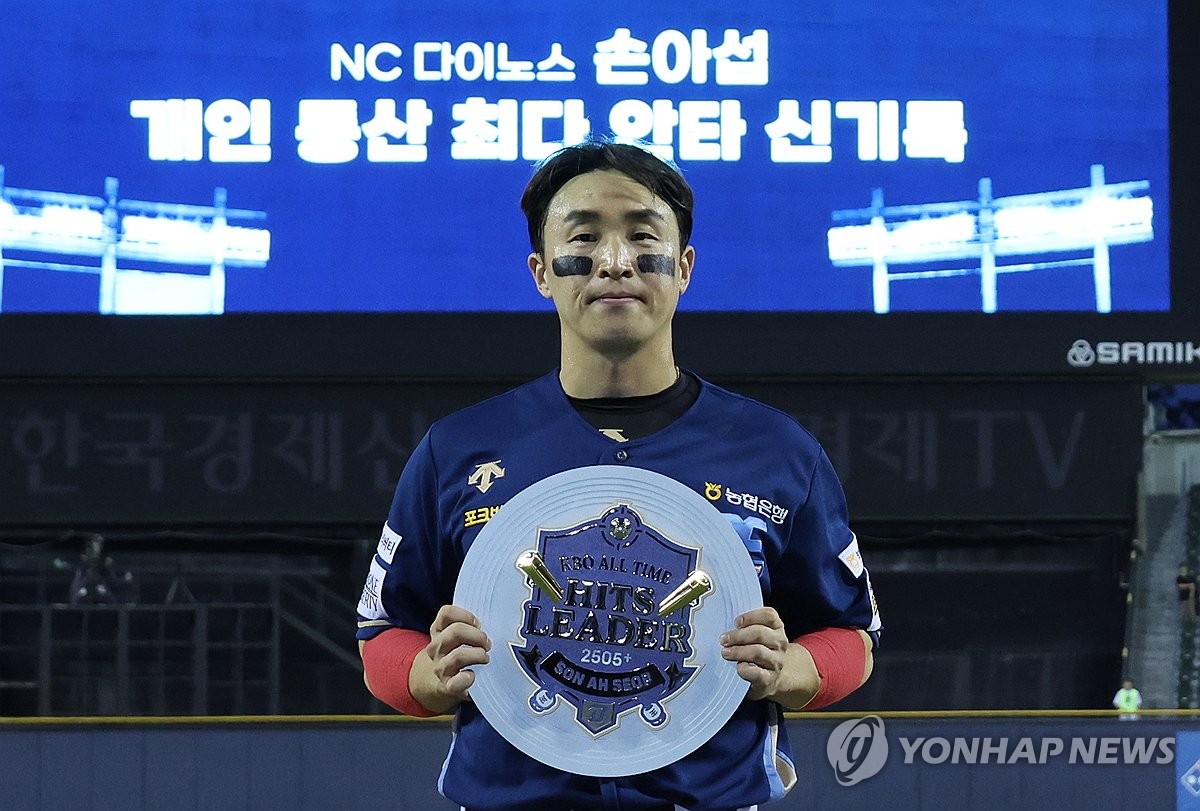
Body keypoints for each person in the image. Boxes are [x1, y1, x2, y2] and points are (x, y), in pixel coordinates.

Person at [355, 137, 881, 811]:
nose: (614, 261)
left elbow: (850, 634)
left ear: (684, 266)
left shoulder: (777, 451)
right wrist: (426, 676)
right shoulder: (459, 449)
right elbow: (383, 634)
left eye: (642, 235)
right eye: (584, 236)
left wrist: (793, 669)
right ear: (542, 270)